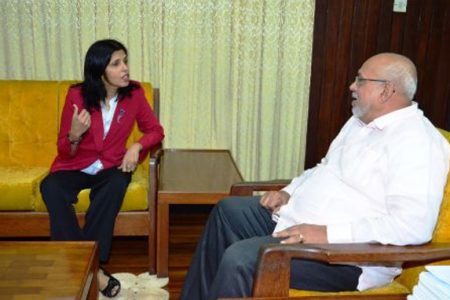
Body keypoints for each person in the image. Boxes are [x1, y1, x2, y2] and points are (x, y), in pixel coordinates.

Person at [180, 53, 450, 300]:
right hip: (298, 222)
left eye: (360, 80)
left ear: (387, 90)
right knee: (228, 211)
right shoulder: (359, 121)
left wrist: (326, 233)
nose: (352, 86)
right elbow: (324, 168)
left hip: (346, 259)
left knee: (242, 259)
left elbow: (412, 226)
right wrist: (289, 191)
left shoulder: (417, 142)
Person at [40, 39, 164, 298]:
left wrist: (136, 147)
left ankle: (84, 264)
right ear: (100, 71)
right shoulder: (77, 95)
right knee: (50, 187)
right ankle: (93, 269)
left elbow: (155, 131)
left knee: (118, 182)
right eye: (116, 64)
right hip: (76, 165)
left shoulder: (135, 93)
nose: (125, 69)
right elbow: (64, 149)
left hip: (112, 165)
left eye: (125, 61)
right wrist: (74, 135)